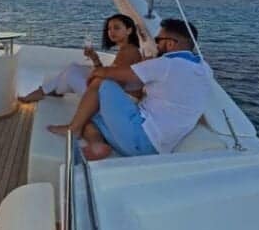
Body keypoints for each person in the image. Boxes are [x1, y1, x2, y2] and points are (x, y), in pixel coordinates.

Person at [47, 18, 212, 161]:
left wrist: (97, 73)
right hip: (154, 149)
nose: (156, 43)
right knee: (88, 115)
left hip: (139, 136)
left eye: (158, 39)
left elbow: (112, 74)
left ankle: (73, 129)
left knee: (102, 81)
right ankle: (96, 144)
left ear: (170, 43)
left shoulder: (166, 64)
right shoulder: (204, 68)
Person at [19, 14, 143, 103]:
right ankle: (50, 91)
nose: (111, 32)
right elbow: (111, 77)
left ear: (129, 30)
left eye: (116, 28)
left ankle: (47, 91)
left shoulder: (129, 52)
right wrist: (94, 58)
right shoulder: (127, 49)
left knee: (71, 74)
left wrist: (93, 75)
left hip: (121, 101)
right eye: (109, 28)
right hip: (116, 95)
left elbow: (115, 83)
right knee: (74, 67)